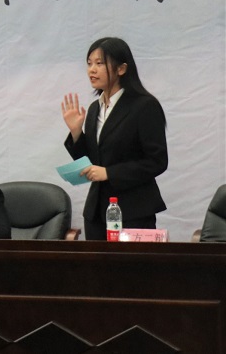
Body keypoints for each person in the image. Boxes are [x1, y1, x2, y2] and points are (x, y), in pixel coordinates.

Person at [61, 37, 167, 241]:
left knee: (131, 263)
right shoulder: (94, 108)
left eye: (99, 63)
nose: (92, 70)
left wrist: (109, 173)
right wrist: (76, 133)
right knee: (96, 263)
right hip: (97, 212)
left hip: (133, 210)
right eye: (89, 63)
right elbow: (93, 161)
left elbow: (157, 161)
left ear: (121, 69)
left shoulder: (144, 106)